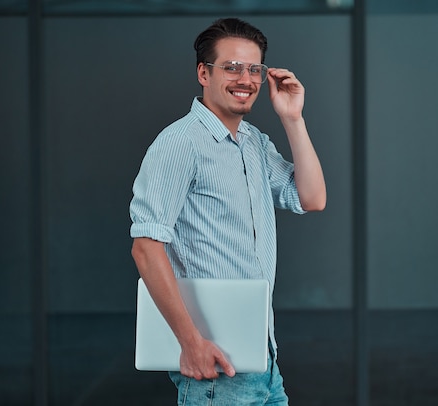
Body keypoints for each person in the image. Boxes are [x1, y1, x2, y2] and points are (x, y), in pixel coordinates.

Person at [129, 17, 326, 405]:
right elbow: (146, 246)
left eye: (254, 69)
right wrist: (191, 343)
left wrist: (293, 118)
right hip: (215, 366)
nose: (245, 78)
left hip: (262, 357)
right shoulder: (180, 143)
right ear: (204, 72)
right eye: (232, 67)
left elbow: (311, 198)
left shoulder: (253, 142)